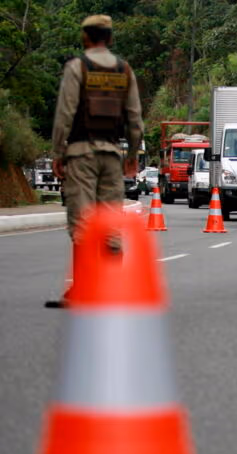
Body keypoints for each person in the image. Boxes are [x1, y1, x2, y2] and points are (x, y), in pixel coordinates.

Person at [47, 14, 144, 308]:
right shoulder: (124, 70)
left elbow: (65, 113)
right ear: (110, 39)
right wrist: (132, 155)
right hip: (112, 154)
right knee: (111, 222)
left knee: (82, 222)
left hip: (81, 154)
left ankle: (82, 290)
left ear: (85, 38)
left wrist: (57, 152)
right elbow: (135, 118)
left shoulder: (77, 67)